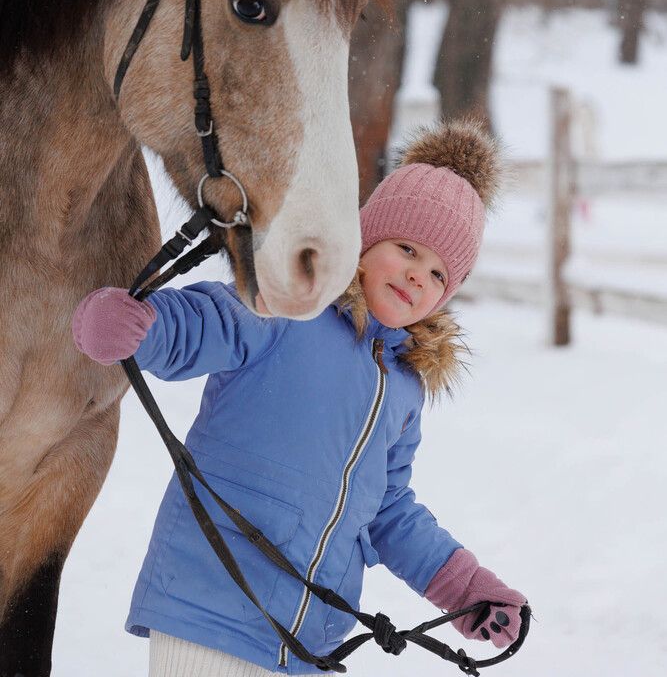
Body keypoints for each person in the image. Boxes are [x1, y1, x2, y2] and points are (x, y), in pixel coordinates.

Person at [72, 118, 527, 677]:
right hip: (212, 608)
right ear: (363, 242)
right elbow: (211, 322)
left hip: (308, 644)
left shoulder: (403, 386)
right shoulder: (294, 307)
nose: (416, 277)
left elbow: (388, 511)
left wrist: (466, 588)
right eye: (407, 249)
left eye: (438, 273)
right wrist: (143, 328)